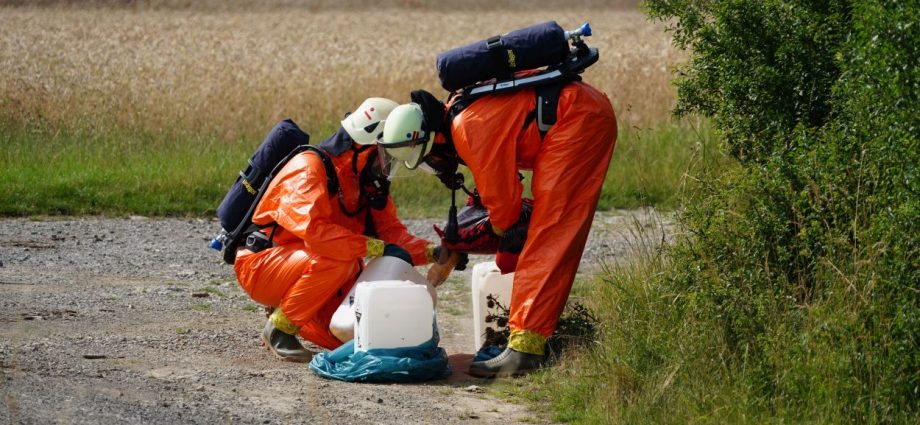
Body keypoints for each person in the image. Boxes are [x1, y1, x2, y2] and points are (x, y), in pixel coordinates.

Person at [377, 81, 617, 377]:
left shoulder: (467, 129)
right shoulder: (461, 116)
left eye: (428, 160)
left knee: (549, 233)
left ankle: (525, 349)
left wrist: (480, 238)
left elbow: (504, 212)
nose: (436, 167)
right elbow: (489, 190)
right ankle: (531, 335)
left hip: (579, 119)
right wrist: (458, 243)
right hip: (576, 112)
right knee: (538, 230)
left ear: (432, 141)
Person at [234, 98, 450, 362]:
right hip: (262, 264)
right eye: (385, 154)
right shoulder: (310, 167)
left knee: (350, 338)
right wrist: (373, 247)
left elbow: (392, 235)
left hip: (315, 268)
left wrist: (433, 252)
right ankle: (279, 329)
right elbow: (316, 234)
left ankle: (296, 314)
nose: (388, 164)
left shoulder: (366, 184)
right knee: (342, 257)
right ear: (363, 145)